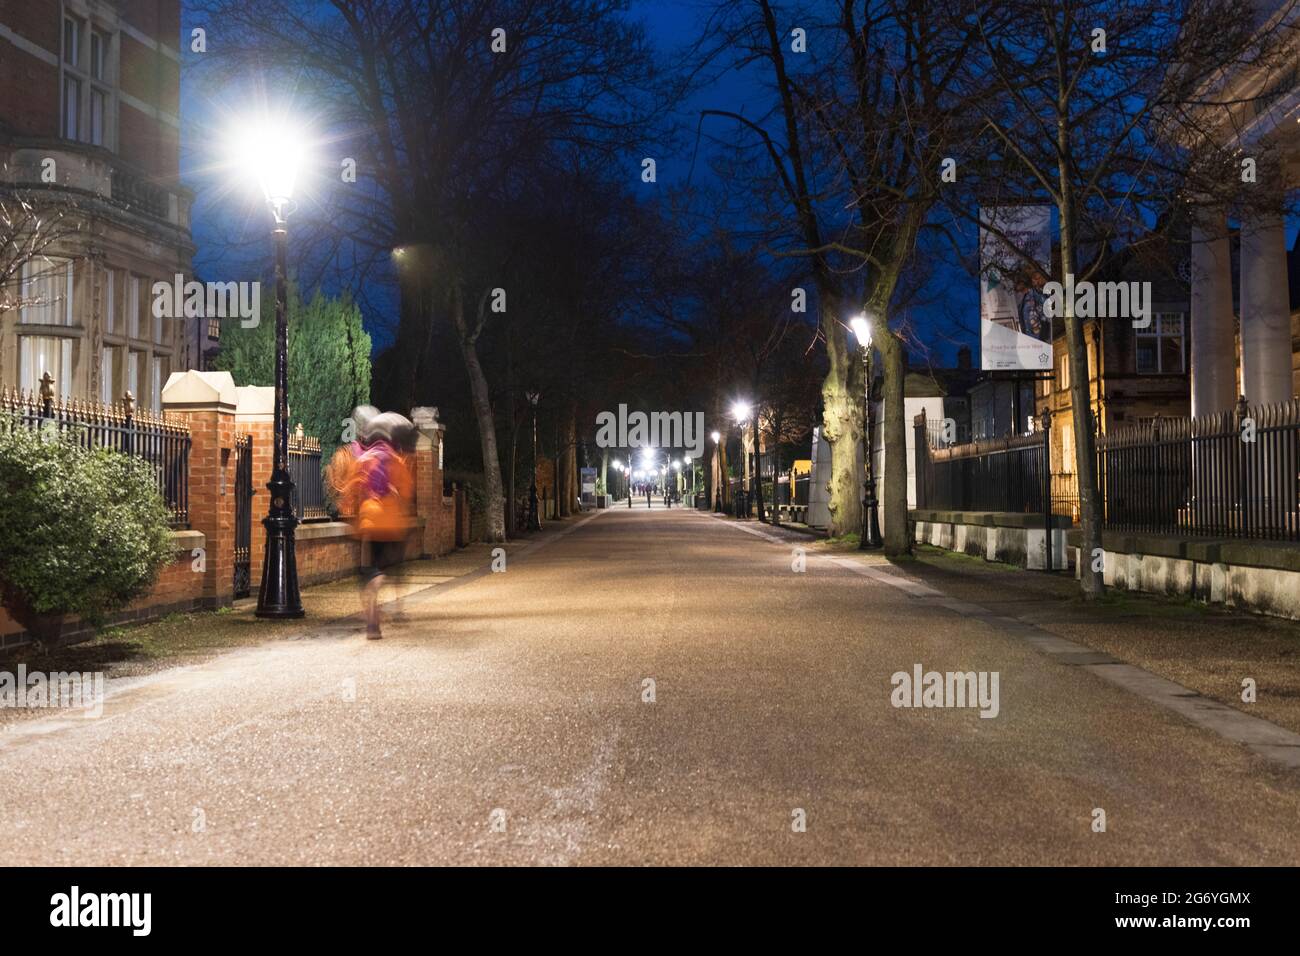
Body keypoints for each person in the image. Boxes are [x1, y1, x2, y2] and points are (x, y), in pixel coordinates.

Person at [328, 406, 415, 639]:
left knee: (368, 569)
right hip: (390, 521)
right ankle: (383, 587)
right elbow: (406, 489)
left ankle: (372, 622)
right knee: (390, 567)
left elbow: (350, 490)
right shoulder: (393, 458)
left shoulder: (362, 459)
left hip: (368, 521)